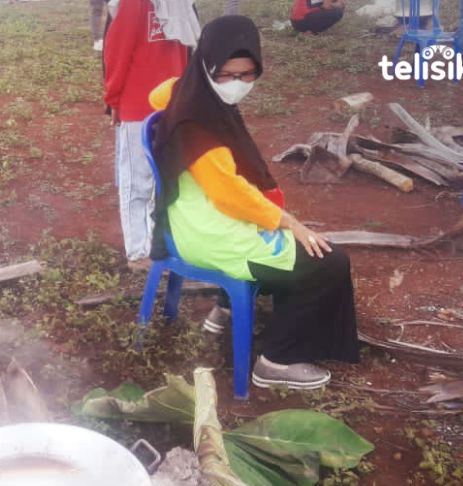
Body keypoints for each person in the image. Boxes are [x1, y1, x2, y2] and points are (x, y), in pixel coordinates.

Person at [148, 15, 359, 389]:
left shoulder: (187, 92)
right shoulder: (198, 126)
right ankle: (276, 361)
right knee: (328, 263)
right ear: (207, 66)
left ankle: (223, 308)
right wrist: (289, 221)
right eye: (227, 74)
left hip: (193, 218)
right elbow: (229, 194)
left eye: (248, 75)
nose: (238, 84)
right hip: (211, 232)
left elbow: (157, 94)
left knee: (302, 251)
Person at [103, 0, 197, 270]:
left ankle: (158, 241)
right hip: (140, 106)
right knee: (138, 180)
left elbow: (186, 55)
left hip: (170, 103)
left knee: (164, 179)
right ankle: (137, 250)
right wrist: (114, 100)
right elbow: (117, 52)